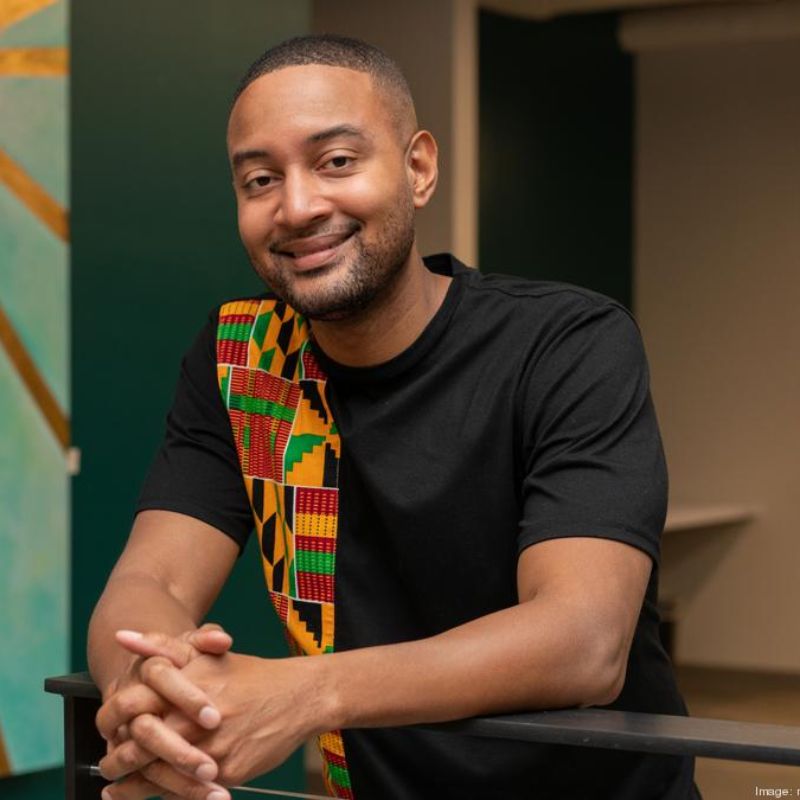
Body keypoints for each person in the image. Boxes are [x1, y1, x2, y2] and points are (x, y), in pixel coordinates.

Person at [88, 34, 700, 800]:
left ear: (419, 169)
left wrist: (306, 693)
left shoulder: (566, 343)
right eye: (260, 179)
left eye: (337, 161)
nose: (298, 206)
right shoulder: (240, 358)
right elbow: (149, 581)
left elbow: (583, 641)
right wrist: (149, 693)